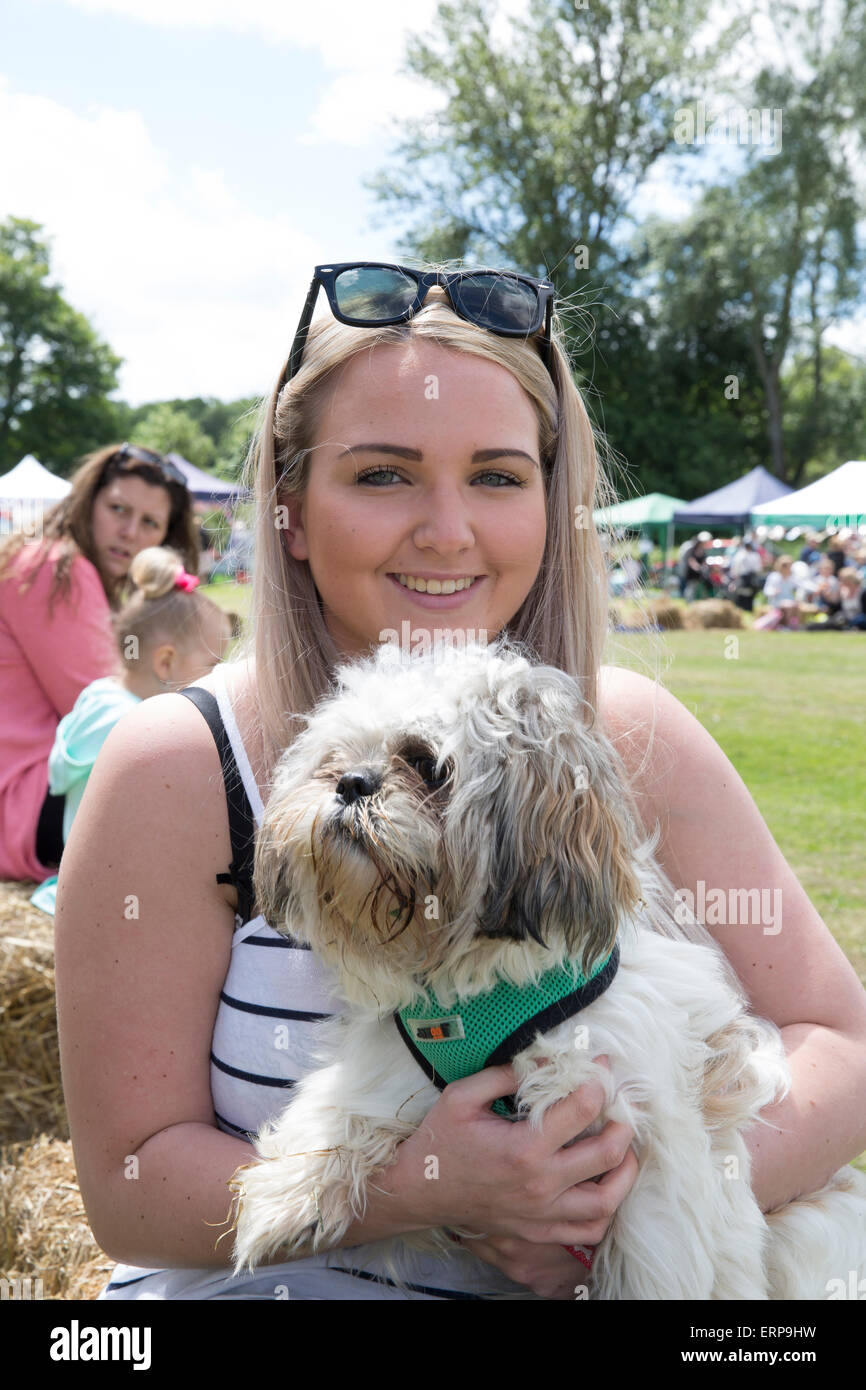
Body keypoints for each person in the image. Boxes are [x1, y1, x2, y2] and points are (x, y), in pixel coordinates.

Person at [54, 262, 866, 1301]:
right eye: (383, 474)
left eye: (495, 475)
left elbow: (841, 1045)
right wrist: (424, 1187)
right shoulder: (175, 763)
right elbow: (126, 1186)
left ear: (550, 504)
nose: (447, 529)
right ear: (289, 509)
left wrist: (619, 1201)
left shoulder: (625, 734)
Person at [0, 443, 198, 882]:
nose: (130, 532)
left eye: (149, 523)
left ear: (164, 539)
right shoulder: (57, 568)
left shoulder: (66, 566)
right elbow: (115, 714)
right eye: (117, 509)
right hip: (24, 807)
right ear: (88, 503)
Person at [29, 547, 233, 915]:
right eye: (212, 664)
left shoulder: (98, 697)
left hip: (78, 875)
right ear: (166, 662)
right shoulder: (144, 729)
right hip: (117, 887)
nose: (220, 677)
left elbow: (58, 779)